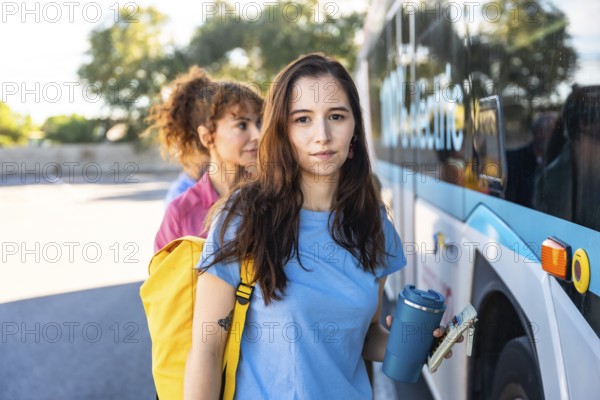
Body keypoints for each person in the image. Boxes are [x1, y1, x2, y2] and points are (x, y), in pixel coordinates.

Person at [184, 54, 455, 399]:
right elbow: (206, 351)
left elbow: (364, 338)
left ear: (354, 128)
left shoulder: (374, 226)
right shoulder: (242, 218)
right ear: (282, 131)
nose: (322, 135)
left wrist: (419, 345)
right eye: (303, 119)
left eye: (336, 117)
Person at [152, 66, 263, 251]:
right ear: (207, 136)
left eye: (259, 123)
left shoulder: (276, 198)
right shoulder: (180, 213)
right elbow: (166, 278)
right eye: (242, 125)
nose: (257, 135)